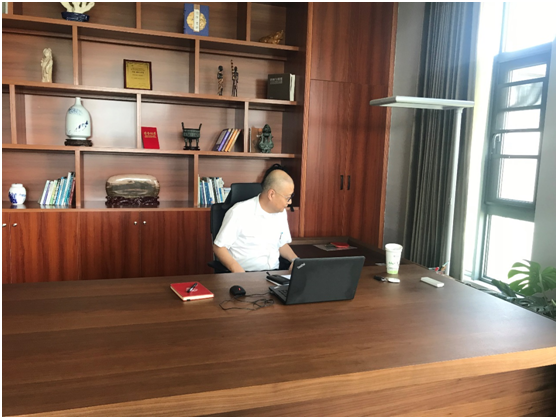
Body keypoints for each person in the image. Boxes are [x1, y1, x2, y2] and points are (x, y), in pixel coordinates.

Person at [213, 169, 298, 273]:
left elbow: (281, 244)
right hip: (245, 274)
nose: (290, 202)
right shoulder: (239, 212)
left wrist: (296, 260)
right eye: (287, 198)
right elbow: (219, 247)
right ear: (271, 194)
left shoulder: (281, 213)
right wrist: (240, 273)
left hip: (274, 274)